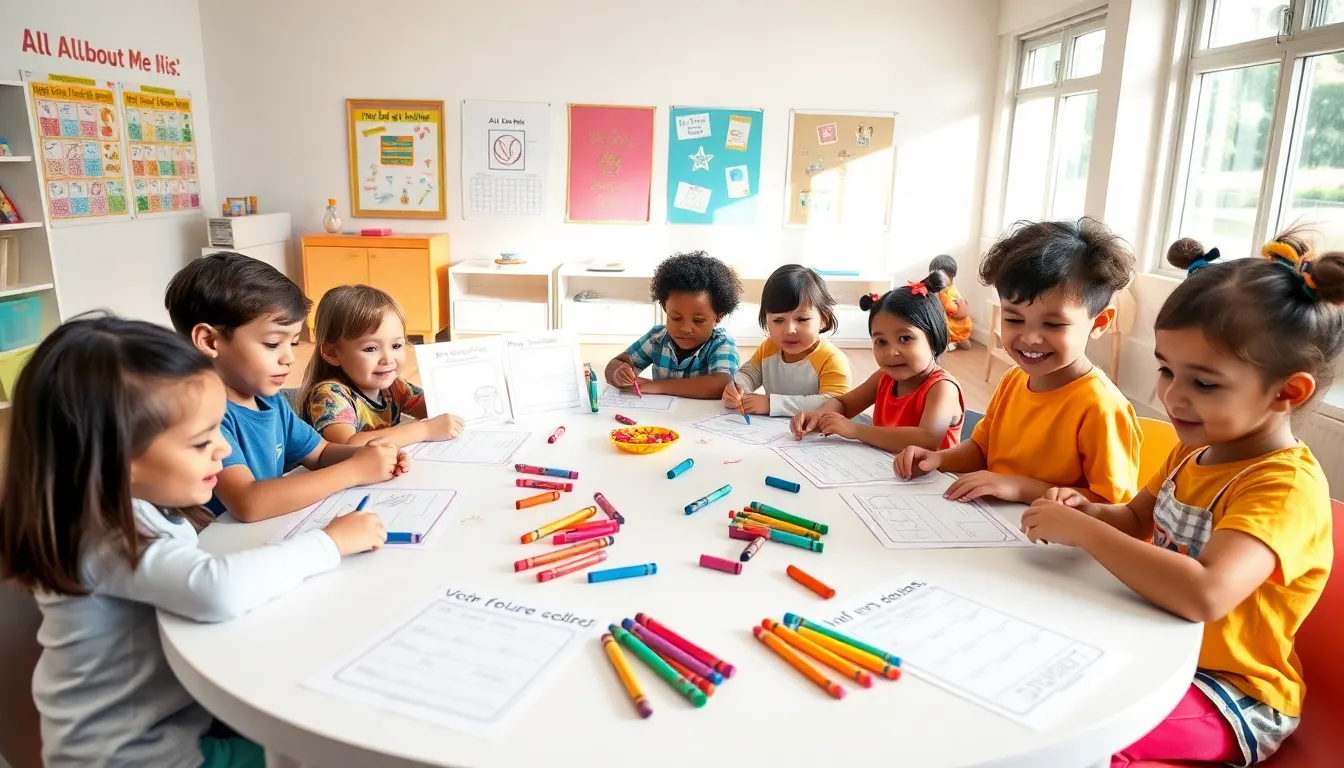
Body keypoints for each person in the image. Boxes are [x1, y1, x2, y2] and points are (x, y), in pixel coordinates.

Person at [0, 314, 388, 768]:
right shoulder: (101, 535)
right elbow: (215, 588)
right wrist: (329, 543)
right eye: (202, 442)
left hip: (176, 717)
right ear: (115, 460)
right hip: (139, 755)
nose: (223, 451)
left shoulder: (130, 504)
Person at [1022, 232, 1342, 767]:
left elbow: (1207, 594)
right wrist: (1085, 512)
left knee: (1083, 739)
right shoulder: (1194, 451)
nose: (1170, 395)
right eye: (1168, 370)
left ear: (1288, 393)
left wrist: (1085, 532)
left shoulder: (1282, 487)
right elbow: (1131, 520)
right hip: (1157, 648)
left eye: (1205, 383)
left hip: (1231, 693)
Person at [895, 218, 1140, 503]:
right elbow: (980, 449)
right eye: (1013, 319)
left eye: (1053, 324)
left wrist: (1018, 488)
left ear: (1099, 322)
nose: (1030, 338)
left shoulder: (1102, 408)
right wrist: (937, 458)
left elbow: (1115, 508)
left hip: (1056, 542)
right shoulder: (1014, 379)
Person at [164, 252, 406, 521]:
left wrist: (371, 455)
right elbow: (248, 502)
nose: (289, 358)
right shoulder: (202, 415)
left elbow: (320, 452)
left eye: (292, 343)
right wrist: (355, 471)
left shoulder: (269, 401)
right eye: (272, 344)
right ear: (209, 341)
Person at [790, 272, 964, 453]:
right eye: (881, 342)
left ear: (934, 337)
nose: (891, 351)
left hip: (936, 479)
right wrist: (818, 416)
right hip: (885, 472)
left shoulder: (942, 387)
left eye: (905, 338)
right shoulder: (884, 378)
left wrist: (856, 430)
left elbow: (927, 439)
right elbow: (845, 404)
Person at [300, 285, 462, 447]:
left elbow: (436, 407)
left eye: (396, 346)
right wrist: (424, 430)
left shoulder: (394, 387)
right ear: (333, 353)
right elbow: (346, 445)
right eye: (371, 348)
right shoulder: (329, 395)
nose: (388, 359)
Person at [605, 250, 741, 399]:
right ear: (665, 309)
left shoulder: (721, 343)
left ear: (718, 317)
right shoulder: (657, 338)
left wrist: (658, 386)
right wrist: (618, 372)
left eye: (698, 321)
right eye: (676, 318)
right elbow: (616, 363)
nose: (685, 329)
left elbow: (722, 384)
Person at [722, 264, 850, 417]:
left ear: (824, 318)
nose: (789, 330)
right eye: (778, 320)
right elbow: (749, 373)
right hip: (771, 435)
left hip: (815, 436)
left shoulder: (832, 358)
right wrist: (738, 388)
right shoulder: (769, 347)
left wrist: (772, 404)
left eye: (801, 319)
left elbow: (835, 402)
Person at [930, 253, 973, 351]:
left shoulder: (953, 291)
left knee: (965, 342)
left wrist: (960, 303)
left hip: (956, 321)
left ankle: (959, 338)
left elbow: (963, 311)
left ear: (952, 275)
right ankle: (948, 341)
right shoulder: (935, 290)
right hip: (943, 321)